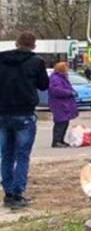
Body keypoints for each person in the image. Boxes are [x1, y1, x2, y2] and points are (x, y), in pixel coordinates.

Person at [0, 32, 49, 209]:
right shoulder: (36, 62)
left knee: (6, 154)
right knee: (22, 155)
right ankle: (18, 192)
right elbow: (44, 85)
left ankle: (8, 193)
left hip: (3, 112)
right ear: (33, 45)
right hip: (24, 112)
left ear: (16, 43)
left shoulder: (1, 59)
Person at [48, 62, 79, 148]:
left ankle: (60, 140)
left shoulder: (61, 78)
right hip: (60, 104)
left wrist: (73, 92)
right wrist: (70, 93)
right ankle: (56, 141)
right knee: (60, 122)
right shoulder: (56, 79)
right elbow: (56, 91)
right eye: (66, 68)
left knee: (64, 122)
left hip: (63, 103)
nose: (67, 69)